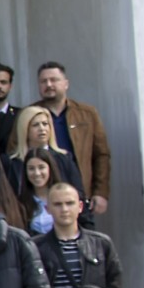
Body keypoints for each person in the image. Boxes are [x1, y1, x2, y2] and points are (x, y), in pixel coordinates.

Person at [35, 62, 111, 217]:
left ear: (66, 84)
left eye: (54, 80)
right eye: (43, 81)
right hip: (41, 196)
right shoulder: (30, 114)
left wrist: (100, 192)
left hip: (79, 192)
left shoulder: (87, 114)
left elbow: (101, 155)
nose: (48, 85)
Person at [4, 105, 85, 197]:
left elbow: (79, 193)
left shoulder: (64, 158)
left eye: (45, 124)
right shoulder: (12, 163)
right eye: (35, 125)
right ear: (25, 129)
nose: (42, 129)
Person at [18, 148, 63, 234]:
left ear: (50, 168)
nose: (37, 173)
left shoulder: (64, 196)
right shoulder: (21, 203)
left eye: (41, 167)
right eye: (31, 168)